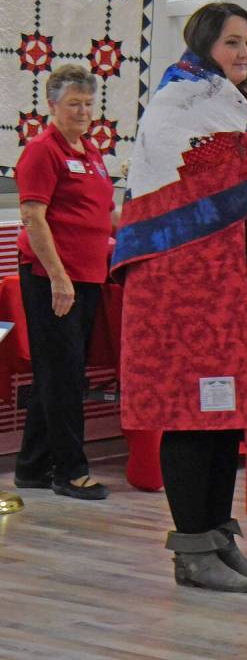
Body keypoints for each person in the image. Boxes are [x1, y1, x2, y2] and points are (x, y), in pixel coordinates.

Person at [111, 2, 247, 591]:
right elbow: (224, 184)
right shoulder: (177, 106)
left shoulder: (234, 105)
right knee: (191, 416)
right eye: (231, 42)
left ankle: (218, 538)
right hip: (181, 292)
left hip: (227, 288)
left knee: (226, 414)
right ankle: (191, 550)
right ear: (203, 46)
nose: (245, 53)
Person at [14, 64, 117, 500]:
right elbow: (34, 219)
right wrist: (58, 278)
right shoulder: (42, 150)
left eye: (89, 103)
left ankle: (32, 467)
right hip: (52, 277)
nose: (83, 111)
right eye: (74, 103)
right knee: (64, 374)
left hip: (88, 275)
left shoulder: (90, 150)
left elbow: (105, 214)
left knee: (56, 372)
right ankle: (69, 472)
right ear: (52, 104)